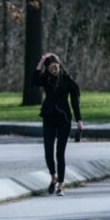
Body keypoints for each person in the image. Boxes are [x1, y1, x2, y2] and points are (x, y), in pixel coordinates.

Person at [33, 52, 83, 196]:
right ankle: (53, 177)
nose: (53, 71)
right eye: (50, 69)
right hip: (49, 117)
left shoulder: (67, 81)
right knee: (48, 151)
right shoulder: (46, 79)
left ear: (60, 65)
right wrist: (41, 61)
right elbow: (34, 80)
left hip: (64, 119)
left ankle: (61, 183)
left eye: (55, 68)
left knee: (60, 153)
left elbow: (75, 102)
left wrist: (79, 120)